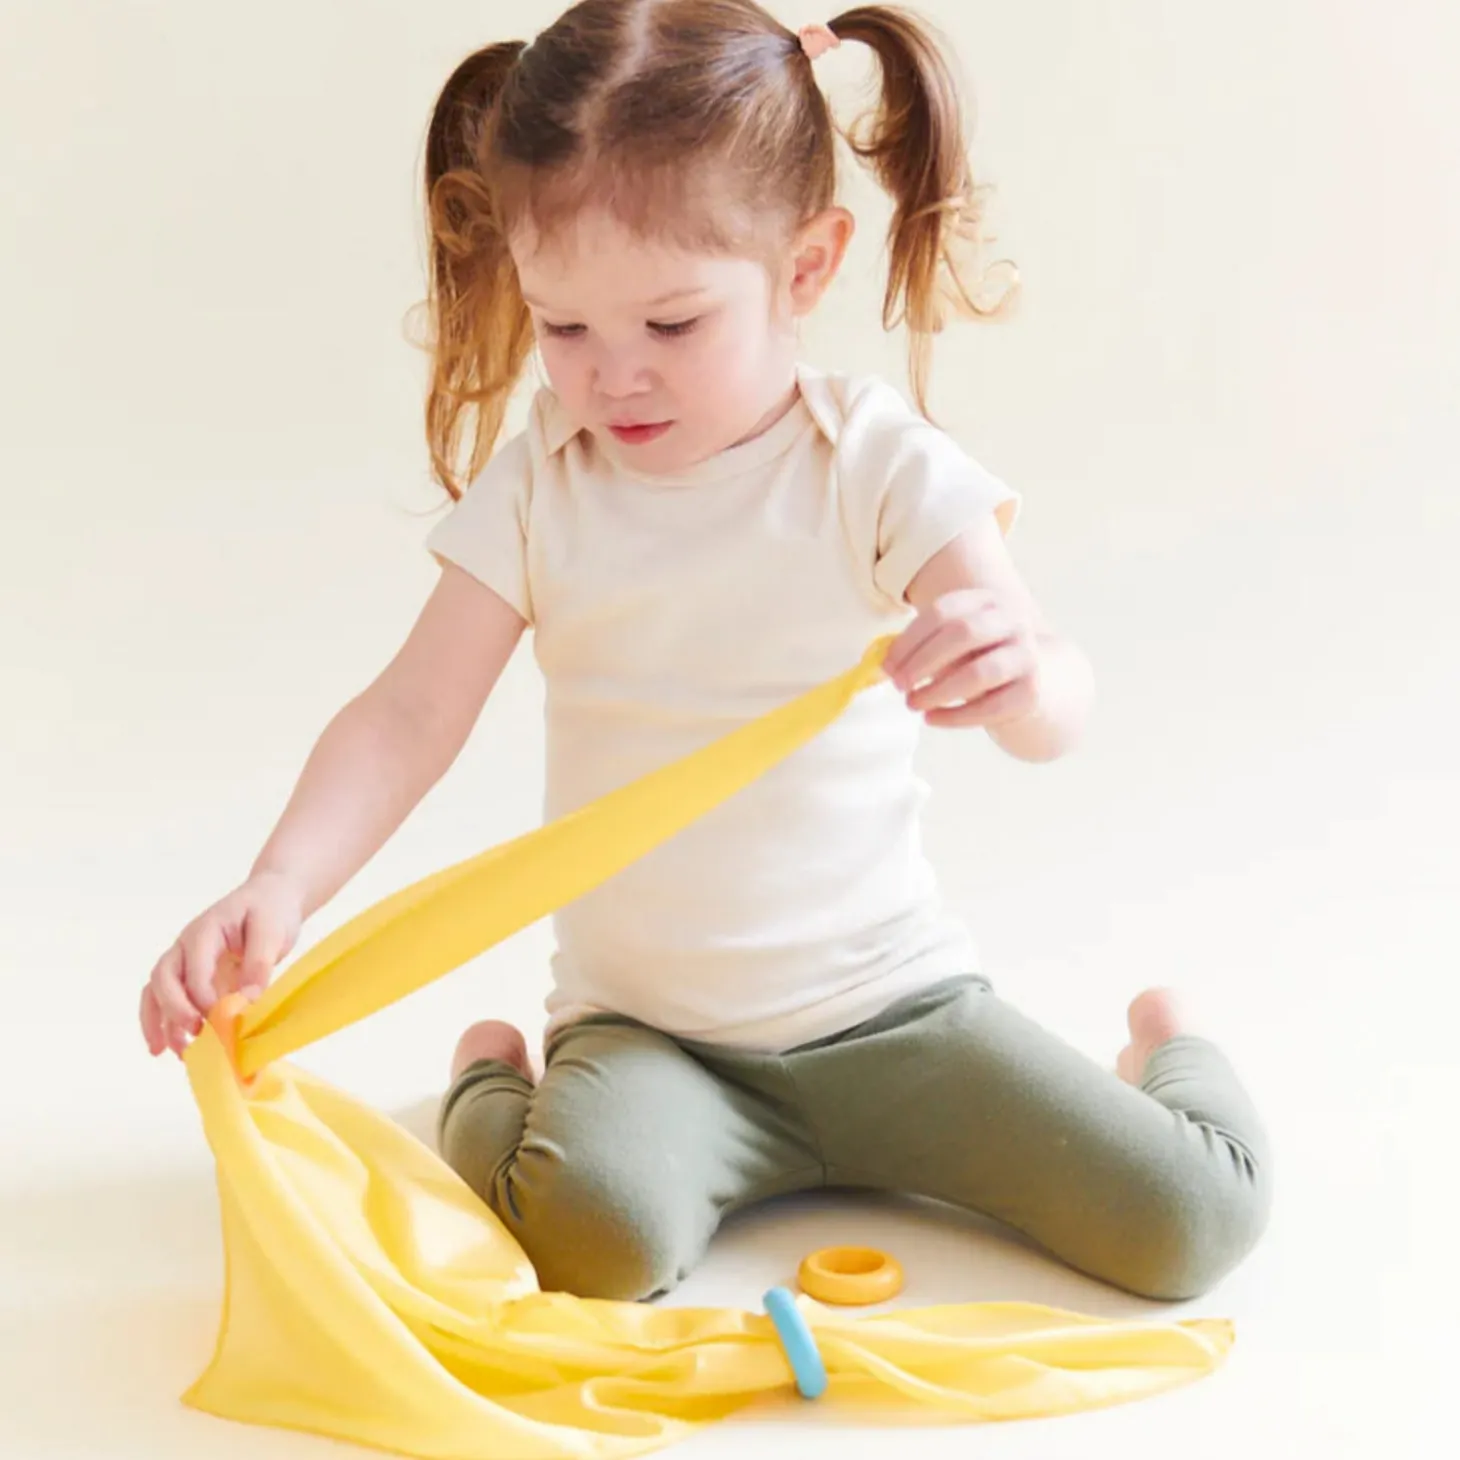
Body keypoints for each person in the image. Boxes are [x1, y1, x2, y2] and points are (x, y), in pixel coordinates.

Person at [140, 1, 1270, 1305]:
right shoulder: (545, 485)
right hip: (652, 1041)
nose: (613, 378)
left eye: (671, 326)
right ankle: (492, 1079)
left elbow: (1055, 701)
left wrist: (1026, 672)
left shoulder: (869, 464)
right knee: (587, 1243)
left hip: (895, 1012)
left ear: (806, 267)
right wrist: (279, 883)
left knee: (1194, 1218)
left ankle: (1164, 1045)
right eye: (564, 328)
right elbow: (410, 714)